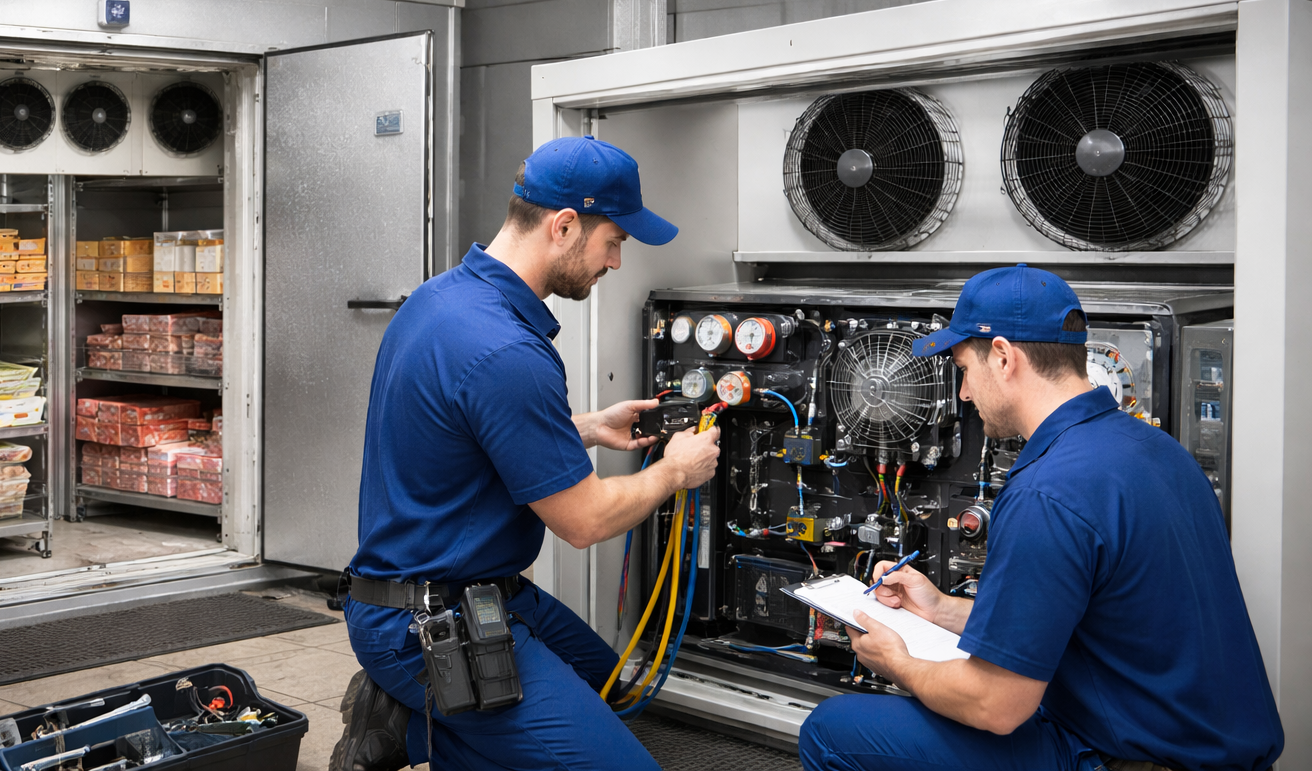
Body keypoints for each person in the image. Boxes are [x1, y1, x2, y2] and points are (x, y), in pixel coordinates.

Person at [331, 135, 722, 771]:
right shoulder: (507, 352)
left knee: (612, 689)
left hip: (471, 592)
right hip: (427, 624)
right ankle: (411, 722)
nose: (616, 263)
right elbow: (585, 520)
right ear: (565, 226)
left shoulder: (442, 300)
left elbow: (466, 430)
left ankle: (433, 724)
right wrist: (676, 472)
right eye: (614, 242)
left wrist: (588, 428)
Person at [798, 265, 1284, 771]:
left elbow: (997, 705)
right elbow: (1077, 621)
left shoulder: (1046, 492)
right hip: (1214, 754)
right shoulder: (1158, 451)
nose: (964, 393)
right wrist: (940, 609)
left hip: (1127, 759)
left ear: (1004, 357)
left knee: (831, 731)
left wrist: (895, 661)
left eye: (965, 369)